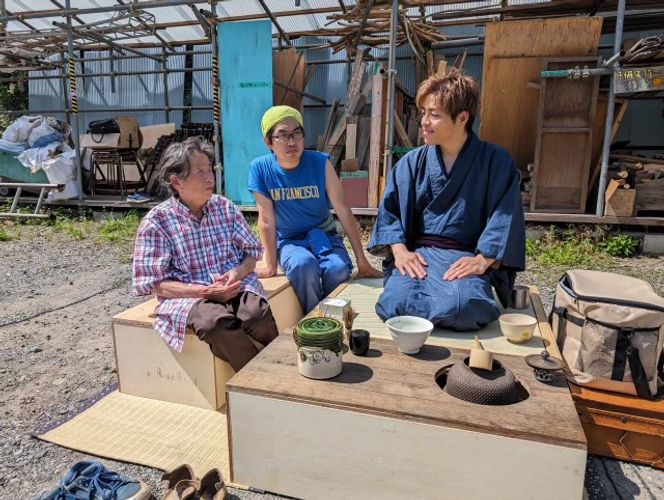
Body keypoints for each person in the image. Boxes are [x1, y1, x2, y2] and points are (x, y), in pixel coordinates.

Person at [367, 69, 525, 331]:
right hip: (419, 255)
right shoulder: (411, 163)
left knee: (465, 307)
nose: (424, 122)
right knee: (395, 303)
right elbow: (390, 213)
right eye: (424, 113)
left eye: (435, 115)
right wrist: (400, 251)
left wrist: (483, 260)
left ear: (462, 118)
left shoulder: (495, 162)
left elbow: (504, 215)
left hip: (462, 256)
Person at [132, 136, 279, 372]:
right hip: (190, 295)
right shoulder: (156, 222)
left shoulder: (224, 207)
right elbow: (153, 284)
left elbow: (252, 254)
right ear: (176, 181)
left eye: (210, 169)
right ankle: (261, 377)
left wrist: (237, 272)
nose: (210, 177)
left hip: (233, 284)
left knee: (256, 314)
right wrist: (203, 291)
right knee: (215, 324)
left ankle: (277, 364)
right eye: (200, 171)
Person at [248, 105, 382, 314]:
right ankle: (314, 319)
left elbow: (343, 209)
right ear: (268, 142)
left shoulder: (320, 162)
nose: (291, 142)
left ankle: (330, 316)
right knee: (303, 265)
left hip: (324, 235)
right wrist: (270, 263)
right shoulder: (260, 169)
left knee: (338, 269)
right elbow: (266, 220)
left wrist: (361, 260)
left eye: (297, 134)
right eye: (283, 136)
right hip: (289, 240)